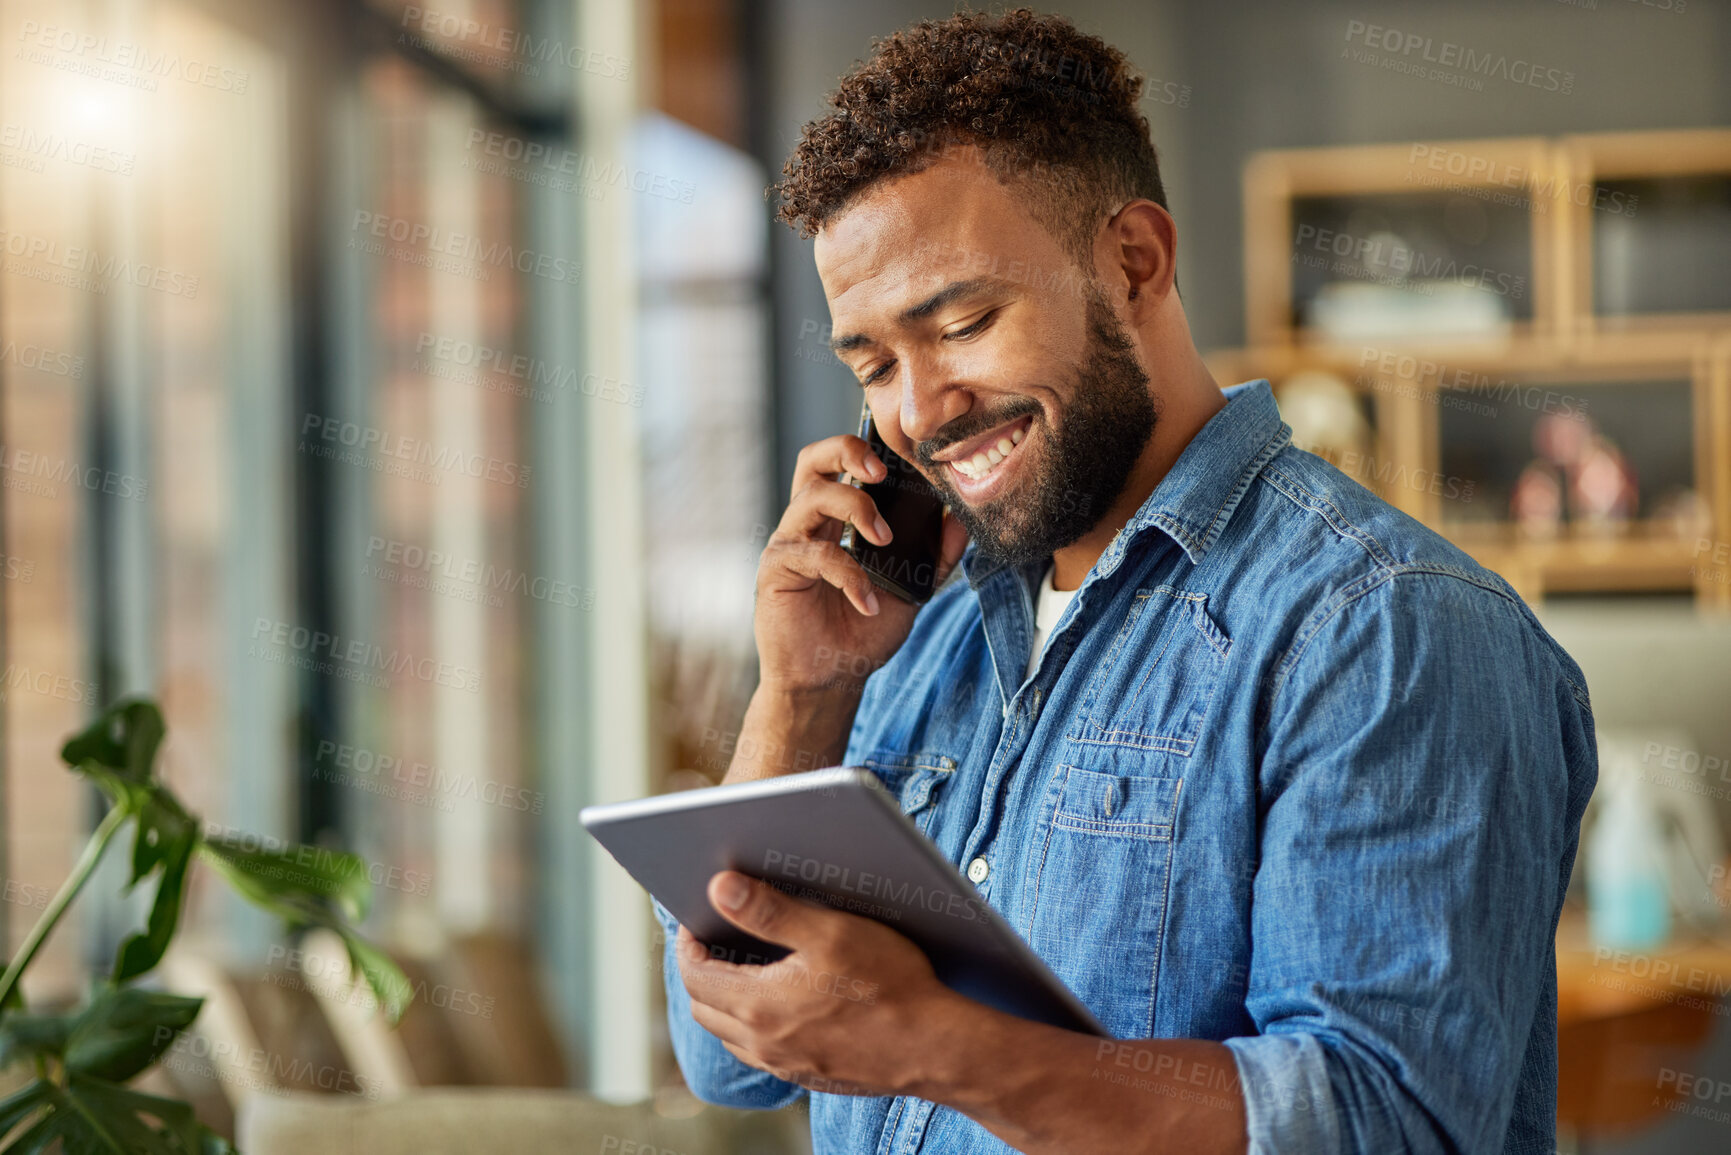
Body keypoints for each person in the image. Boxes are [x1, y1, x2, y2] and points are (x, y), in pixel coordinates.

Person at [654, 9, 1597, 1153]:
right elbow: (726, 1059)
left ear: (1135, 262)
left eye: (961, 322)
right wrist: (800, 694)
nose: (917, 410)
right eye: (874, 364)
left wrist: (937, 1044)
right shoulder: (922, 642)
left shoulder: (1387, 626)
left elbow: (1382, 1124)